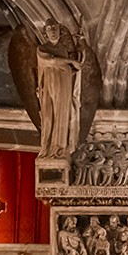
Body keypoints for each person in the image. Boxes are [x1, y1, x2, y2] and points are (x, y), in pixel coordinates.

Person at [35, 21, 84, 158]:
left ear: (59, 31)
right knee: (49, 117)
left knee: (62, 115)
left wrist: (80, 53)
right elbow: (52, 61)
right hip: (49, 86)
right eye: (49, 28)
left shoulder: (63, 49)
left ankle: (60, 149)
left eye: (54, 28)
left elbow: (69, 69)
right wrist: (70, 62)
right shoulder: (42, 49)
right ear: (45, 32)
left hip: (63, 86)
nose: (52, 31)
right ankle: (48, 148)